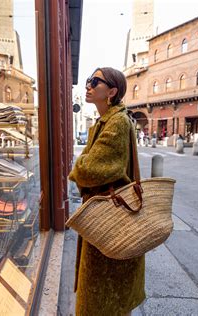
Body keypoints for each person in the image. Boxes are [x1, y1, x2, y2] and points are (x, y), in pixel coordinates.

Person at [68, 67, 145, 315]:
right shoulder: (106, 121)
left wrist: (78, 168)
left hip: (111, 217)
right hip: (105, 214)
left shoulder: (117, 122)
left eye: (95, 81)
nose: (88, 85)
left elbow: (90, 169)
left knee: (104, 295)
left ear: (111, 91)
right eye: (89, 80)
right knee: (103, 294)